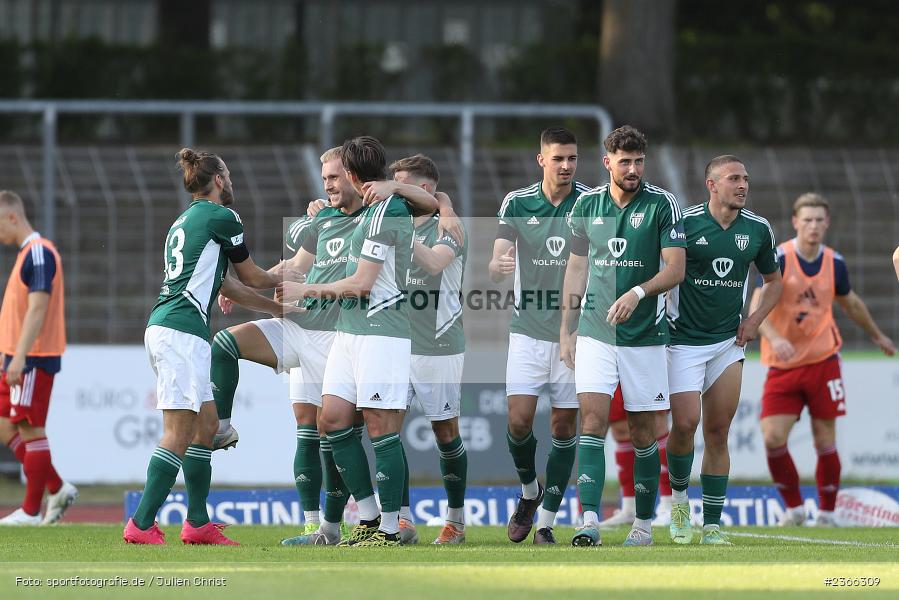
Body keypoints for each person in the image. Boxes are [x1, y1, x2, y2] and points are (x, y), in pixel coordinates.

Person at [123, 148, 288, 545]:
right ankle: (141, 524)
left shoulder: (185, 221)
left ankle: (197, 524)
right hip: (179, 333)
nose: (230, 181)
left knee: (207, 426)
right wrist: (289, 275)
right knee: (178, 432)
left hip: (178, 331)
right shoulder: (222, 216)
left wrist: (278, 308)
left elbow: (227, 284)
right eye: (227, 175)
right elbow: (249, 273)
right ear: (217, 179)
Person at [279, 136, 428, 547]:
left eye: (336, 172)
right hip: (349, 331)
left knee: (381, 429)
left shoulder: (385, 211)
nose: (329, 182)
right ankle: (368, 516)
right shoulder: (363, 211)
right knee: (331, 421)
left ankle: (392, 528)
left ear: (352, 173)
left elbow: (362, 284)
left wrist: (306, 291)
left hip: (381, 331)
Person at [561, 125, 686, 547]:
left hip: (646, 336)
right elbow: (576, 269)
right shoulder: (586, 204)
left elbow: (675, 268)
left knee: (643, 431)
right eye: (625, 161)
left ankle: (644, 525)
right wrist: (567, 329)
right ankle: (590, 520)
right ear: (607, 162)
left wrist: (637, 291)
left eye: (638, 162)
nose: (633, 169)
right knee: (592, 423)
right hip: (596, 333)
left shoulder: (662, 204)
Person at [751, 192, 896, 527]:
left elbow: (851, 304)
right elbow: (758, 303)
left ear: (826, 223)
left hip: (822, 361)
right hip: (783, 364)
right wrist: (774, 337)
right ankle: (794, 508)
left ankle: (828, 513)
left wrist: (876, 335)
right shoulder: (781, 257)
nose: (814, 226)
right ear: (795, 222)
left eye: (819, 220)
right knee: (773, 436)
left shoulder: (835, 262)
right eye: (808, 219)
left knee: (825, 438)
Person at [664, 155, 783, 545]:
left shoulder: (758, 229)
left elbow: (774, 282)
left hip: (726, 344)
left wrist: (754, 322)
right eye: (734, 178)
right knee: (684, 426)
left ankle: (712, 525)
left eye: (746, 178)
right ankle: (680, 503)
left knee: (718, 431)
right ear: (711, 185)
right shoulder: (684, 222)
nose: (743, 185)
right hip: (681, 341)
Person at [487, 127, 592, 545]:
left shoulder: (591, 202)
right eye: (558, 158)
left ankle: (546, 520)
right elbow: (496, 259)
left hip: (576, 333)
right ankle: (529, 492)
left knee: (565, 427)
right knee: (518, 422)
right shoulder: (517, 201)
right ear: (541, 160)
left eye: (572, 158)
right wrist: (498, 267)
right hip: (527, 332)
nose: (566, 166)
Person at [363, 154, 469, 545]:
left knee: (445, 433)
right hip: (395, 344)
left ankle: (455, 521)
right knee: (387, 433)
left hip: (438, 346)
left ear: (422, 191)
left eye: (401, 185)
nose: (395, 193)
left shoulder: (449, 227)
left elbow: (435, 265)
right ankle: (402, 519)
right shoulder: (396, 224)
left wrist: (443, 205)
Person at [0, 191, 78, 526]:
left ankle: (31, 512)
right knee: (6, 425)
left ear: (13, 217)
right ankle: (57, 487)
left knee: (31, 429)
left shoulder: (39, 252)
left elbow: (38, 307)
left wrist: (19, 358)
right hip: (15, 357)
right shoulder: (26, 255)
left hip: (31, 357)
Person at [597, 388, 673, 528]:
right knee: (621, 428)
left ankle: (669, 505)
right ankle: (630, 509)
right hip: (617, 367)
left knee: (655, 422)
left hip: (647, 367)